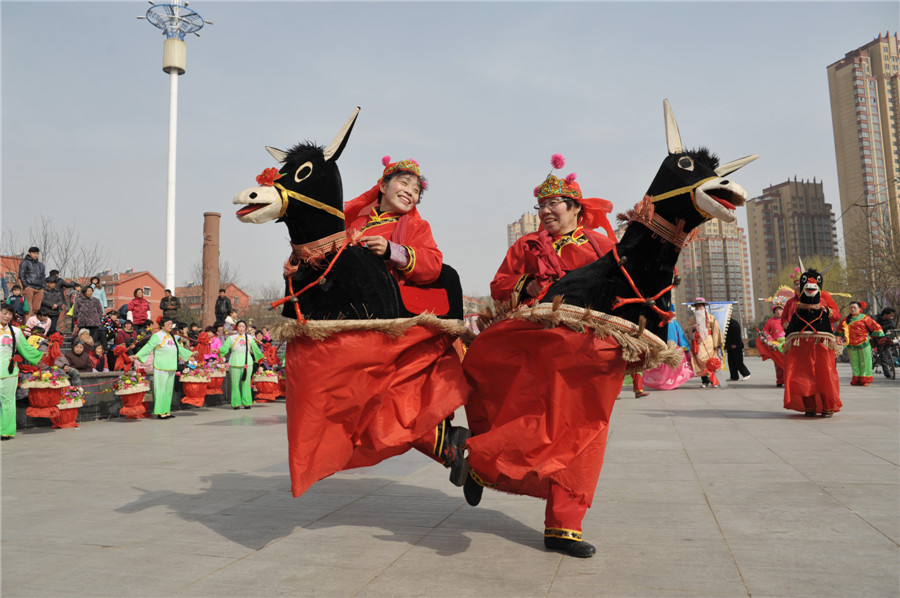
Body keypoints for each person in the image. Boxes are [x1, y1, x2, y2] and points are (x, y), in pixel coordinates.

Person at [461, 156, 619, 558]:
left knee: (585, 434)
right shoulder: (526, 246)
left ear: (576, 209)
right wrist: (528, 283)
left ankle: (564, 527)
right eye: (541, 207)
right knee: (529, 422)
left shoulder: (601, 246)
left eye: (555, 206)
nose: (546, 213)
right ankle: (480, 463)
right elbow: (499, 286)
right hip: (535, 348)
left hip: (585, 354)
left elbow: (620, 291)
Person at [134, 317, 194, 419]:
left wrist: (190, 354)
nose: (171, 326)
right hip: (161, 366)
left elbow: (178, 348)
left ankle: (167, 411)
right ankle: (160, 411)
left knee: (168, 390)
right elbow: (149, 346)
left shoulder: (171, 337)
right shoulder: (157, 336)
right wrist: (137, 356)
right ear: (162, 325)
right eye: (169, 323)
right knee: (160, 389)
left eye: (172, 324)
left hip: (171, 366)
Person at [0, 303, 44, 440]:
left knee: (8, 402)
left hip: (9, 371)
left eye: (10, 314)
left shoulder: (16, 332)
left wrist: (44, 356)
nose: (7, 316)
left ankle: (6, 431)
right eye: (4, 313)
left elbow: (27, 349)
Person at [220, 320, 264, 410]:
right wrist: (219, 351)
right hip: (234, 363)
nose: (241, 328)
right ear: (236, 328)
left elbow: (256, 349)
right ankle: (236, 403)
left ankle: (247, 402)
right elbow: (224, 348)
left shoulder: (250, 338)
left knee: (246, 383)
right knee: (235, 384)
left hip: (247, 363)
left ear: (245, 328)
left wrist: (262, 357)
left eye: (243, 326)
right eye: (239, 326)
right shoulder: (231, 338)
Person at [839, 301, 885, 386]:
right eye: (851, 308)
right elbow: (839, 330)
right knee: (854, 363)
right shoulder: (846, 319)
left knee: (865, 362)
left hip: (864, 343)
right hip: (851, 344)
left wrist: (874, 336)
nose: (852, 309)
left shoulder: (865, 318)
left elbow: (876, 327)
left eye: (854, 307)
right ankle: (856, 379)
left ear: (860, 309)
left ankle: (865, 380)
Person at [687, 298, 724, 388]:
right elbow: (688, 330)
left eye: (700, 306)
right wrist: (692, 327)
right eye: (697, 307)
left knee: (712, 362)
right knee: (700, 361)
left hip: (710, 342)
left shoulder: (711, 317)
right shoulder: (692, 319)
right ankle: (705, 380)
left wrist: (716, 344)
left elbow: (716, 331)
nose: (699, 308)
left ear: (704, 307)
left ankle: (714, 381)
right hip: (698, 343)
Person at [760, 303, 787, 387]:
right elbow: (765, 330)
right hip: (775, 344)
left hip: (787, 344)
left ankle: (787, 380)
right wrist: (769, 339)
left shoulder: (788, 320)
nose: (778, 312)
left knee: (787, 363)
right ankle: (779, 380)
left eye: (780, 310)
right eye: (777, 310)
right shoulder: (771, 321)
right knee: (778, 363)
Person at [17, 247, 45, 317]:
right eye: (34, 253)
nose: (36, 255)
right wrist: (25, 286)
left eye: (37, 253)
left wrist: (43, 286)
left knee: (37, 309)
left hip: (39, 288)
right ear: (29, 253)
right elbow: (21, 274)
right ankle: (26, 325)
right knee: (28, 308)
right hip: (29, 287)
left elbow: (44, 276)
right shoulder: (25, 263)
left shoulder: (41, 265)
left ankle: (34, 325)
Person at [725, 317, 751, 381]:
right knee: (731, 362)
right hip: (729, 346)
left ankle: (746, 374)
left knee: (738, 361)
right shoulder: (725, 323)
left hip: (736, 345)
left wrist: (735, 344)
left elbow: (737, 334)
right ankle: (734, 376)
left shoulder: (733, 323)